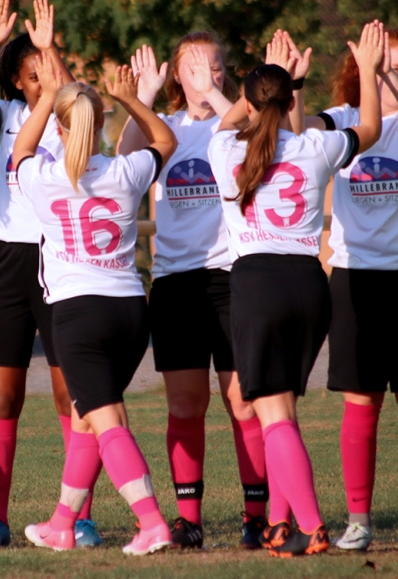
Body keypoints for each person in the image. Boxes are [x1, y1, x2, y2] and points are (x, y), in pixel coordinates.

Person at [209, 23, 385, 558]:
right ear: (291, 103)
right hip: (309, 284)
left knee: (274, 416)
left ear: (247, 101)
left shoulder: (223, 148)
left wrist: (267, 87)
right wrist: (368, 72)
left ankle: (311, 526)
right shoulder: (315, 146)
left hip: (257, 284)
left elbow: (230, 121)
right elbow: (370, 127)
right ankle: (281, 524)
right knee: (282, 412)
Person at [300, 27, 398, 550]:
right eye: (396, 65)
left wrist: (387, 73)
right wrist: (294, 83)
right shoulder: (344, 120)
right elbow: (296, 128)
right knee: (361, 401)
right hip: (355, 280)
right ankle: (358, 521)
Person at [0, 0, 102, 548]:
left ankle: (78, 517)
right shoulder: (8, 116)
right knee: (2, 399)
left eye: (48, 71)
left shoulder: (73, 115)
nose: (44, 82)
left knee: (73, 398)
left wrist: (49, 48)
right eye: (33, 75)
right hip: (11, 261)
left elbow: (71, 91)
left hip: (62, 257)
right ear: (17, 83)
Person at [13, 58, 177, 555]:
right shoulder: (125, 171)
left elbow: (20, 149)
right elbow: (165, 140)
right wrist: (131, 99)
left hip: (79, 315)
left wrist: (47, 96)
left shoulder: (43, 176)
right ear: (103, 122)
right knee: (87, 418)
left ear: (60, 127)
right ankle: (62, 524)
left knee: (109, 424)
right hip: (129, 310)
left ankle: (152, 523)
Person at [116, 35, 269, 549]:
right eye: (195, 68)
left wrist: (216, 93)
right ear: (176, 76)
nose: (208, 75)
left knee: (243, 403)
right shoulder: (166, 127)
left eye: (216, 66)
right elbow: (123, 158)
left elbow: (256, 133)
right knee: (185, 405)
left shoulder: (235, 120)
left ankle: (256, 517)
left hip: (232, 277)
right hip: (177, 282)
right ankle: (189, 520)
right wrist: (142, 96)